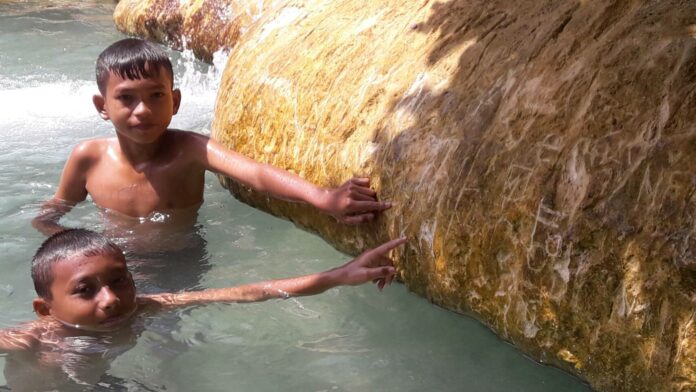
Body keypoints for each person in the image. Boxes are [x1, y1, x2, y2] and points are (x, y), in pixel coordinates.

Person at [32, 38, 391, 236]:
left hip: (182, 263)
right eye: (126, 98)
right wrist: (74, 245)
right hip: (111, 268)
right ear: (102, 106)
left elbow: (256, 174)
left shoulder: (190, 150)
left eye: (156, 96)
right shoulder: (88, 158)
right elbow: (51, 213)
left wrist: (323, 197)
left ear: (174, 101)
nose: (142, 110)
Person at [0, 229, 405, 388]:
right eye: (85, 290)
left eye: (119, 280)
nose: (111, 298)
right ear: (44, 308)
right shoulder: (34, 337)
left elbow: (247, 293)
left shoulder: (144, 307)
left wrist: (337, 275)